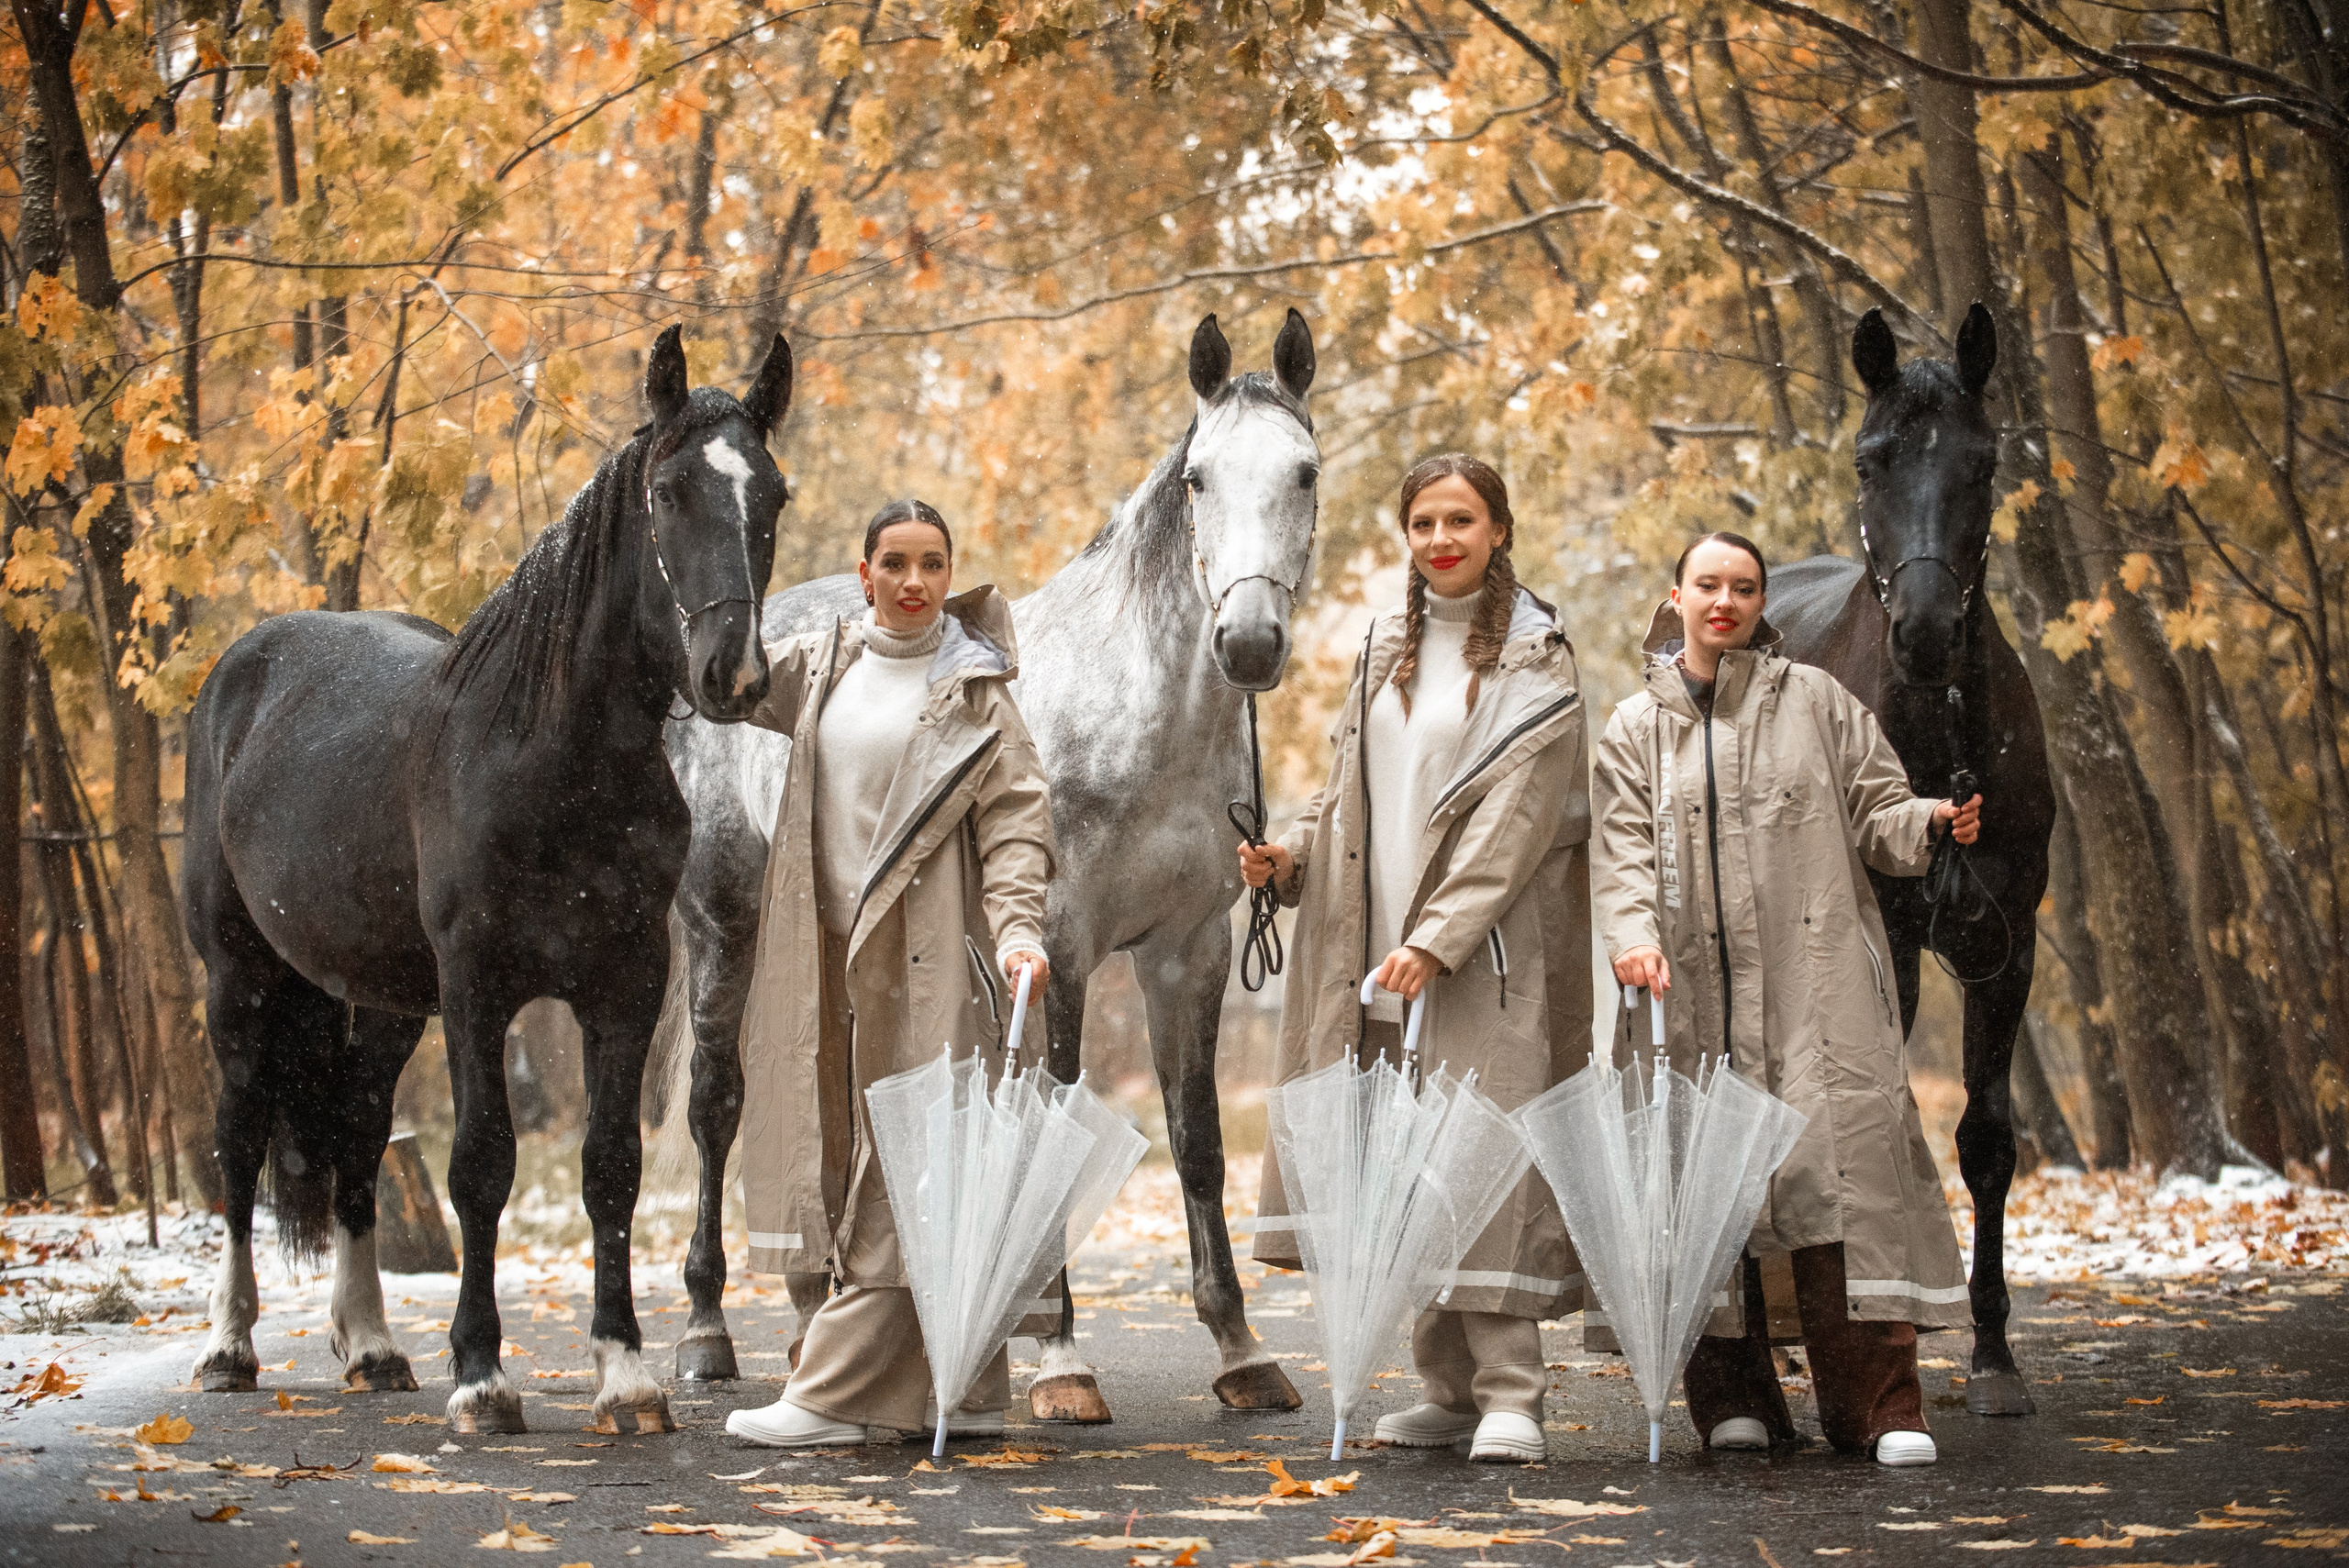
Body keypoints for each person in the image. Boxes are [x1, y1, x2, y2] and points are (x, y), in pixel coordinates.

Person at [1591, 531, 1982, 1469]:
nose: (1723, 600)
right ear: (1674, 594)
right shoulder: (1632, 729)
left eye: (1743, 587)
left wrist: (1929, 819)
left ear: (1761, 601)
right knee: (1701, 1181)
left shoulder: (1814, 701)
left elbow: (1878, 811)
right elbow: (1620, 855)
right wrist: (1632, 935)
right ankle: (1732, 1398)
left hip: (1815, 987)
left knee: (1836, 1178)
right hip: (1681, 991)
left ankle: (1876, 1404)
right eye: (1707, 585)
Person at [1241, 453, 1593, 1465]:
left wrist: (1435, 937)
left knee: (1481, 1160)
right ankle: (1446, 1385)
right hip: (1366, 946)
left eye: (1462, 520)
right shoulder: (1384, 643)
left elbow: (1515, 824)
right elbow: (1344, 784)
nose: (1442, 539)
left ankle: (1512, 1392)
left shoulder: (1536, 655)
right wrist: (1289, 853)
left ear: (1498, 530)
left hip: (1477, 954)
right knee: (1404, 1166)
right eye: (1424, 522)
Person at [725, 498, 1056, 1448]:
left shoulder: (978, 691)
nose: (914, 581)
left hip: (926, 957)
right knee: (842, 1154)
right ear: (863, 573)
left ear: (950, 576)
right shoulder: (818, 665)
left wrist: (1018, 930)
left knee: (905, 1163)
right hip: (821, 954)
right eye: (896, 562)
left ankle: (830, 1393)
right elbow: (721, 678)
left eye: (932, 564)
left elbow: (1018, 824)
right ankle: (954, 1387)